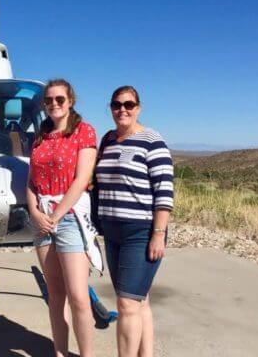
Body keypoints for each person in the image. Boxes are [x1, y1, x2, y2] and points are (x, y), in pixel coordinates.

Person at [95, 85, 174, 357]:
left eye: (129, 105)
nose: (122, 110)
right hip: (112, 230)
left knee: (127, 304)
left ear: (138, 108)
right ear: (110, 108)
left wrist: (158, 233)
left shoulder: (152, 140)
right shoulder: (107, 140)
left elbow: (164, 190)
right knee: (139, 301)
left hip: (140, 232)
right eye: (117, 104)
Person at [27, 78, 98, 357]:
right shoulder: (41, 136)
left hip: (68, 218)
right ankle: (60, 351)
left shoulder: (83, 132)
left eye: (60, 99)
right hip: (43, 220)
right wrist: (35, 212)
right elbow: (32, 181)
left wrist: (55, 215)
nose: (54, 104)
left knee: (79, 296)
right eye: (49, 100)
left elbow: (81, 179)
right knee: (55, 294)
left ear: (70, 101)